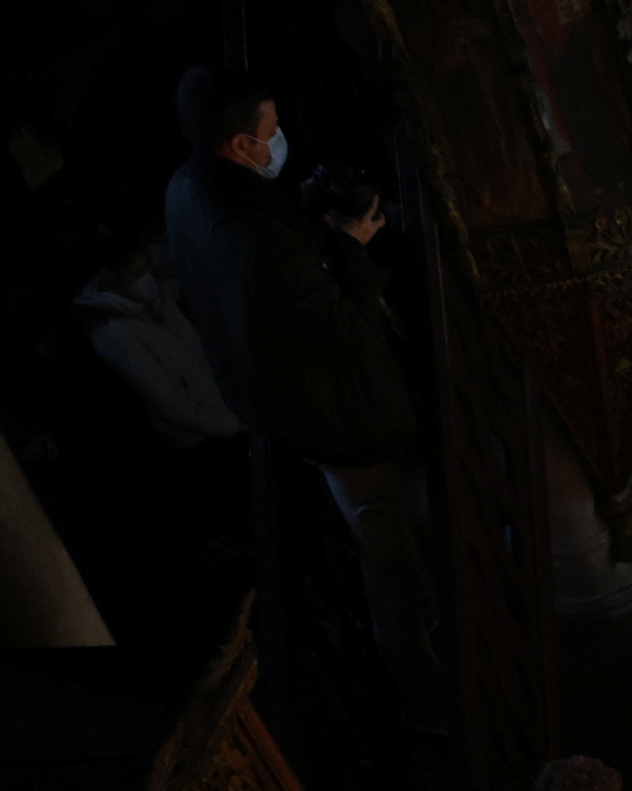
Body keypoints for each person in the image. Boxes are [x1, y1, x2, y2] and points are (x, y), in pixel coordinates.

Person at [161, 68, 424, 598]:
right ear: (241, 143)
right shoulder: (258, 241)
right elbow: (349, 334)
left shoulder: (186, 188)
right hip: (346, 423)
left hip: (286, 410)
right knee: (393, 557)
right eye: (272, 129)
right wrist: (350, 245)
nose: (279, 139)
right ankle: (418, 654)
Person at [74, 231, 243, 447]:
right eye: (135, 274)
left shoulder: (157, 299)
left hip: (228, 408)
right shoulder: (114, 334)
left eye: (146, 270)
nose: (146, 279)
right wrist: (231, 425)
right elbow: (170, 404)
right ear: (108, 277)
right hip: (202, 437)